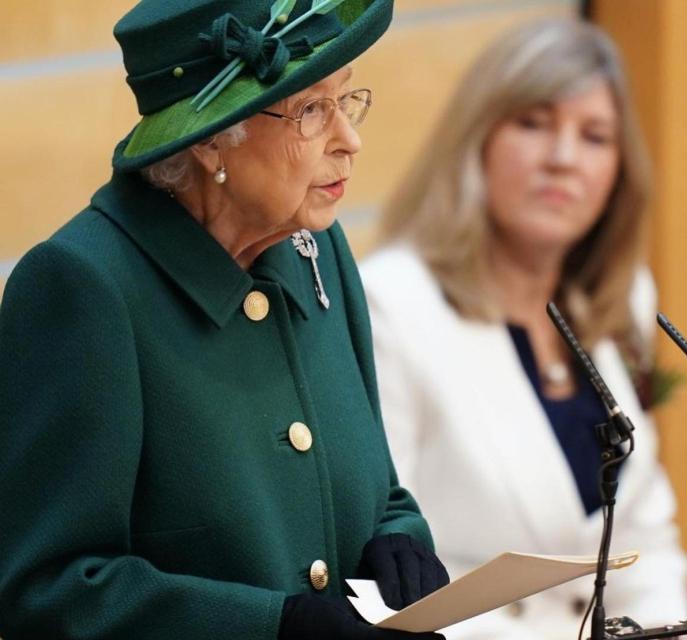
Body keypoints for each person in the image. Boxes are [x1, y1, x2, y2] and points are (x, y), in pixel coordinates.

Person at [0, 1, 449, 638]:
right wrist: (271, 627)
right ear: (211, 137)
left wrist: (399, 540)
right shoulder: (83, 289)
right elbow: (46, 592)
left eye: (344, 100)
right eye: (311, 110)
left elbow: (376, 491)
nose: (350, 141)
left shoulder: (316, 247)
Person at [359, 17, 687, 639]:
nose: (563, 159)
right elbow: (383, 567)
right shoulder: (390, 304)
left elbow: (648, 546)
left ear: (620, 172)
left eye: (595, 136)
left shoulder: (620, 304)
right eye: (534, 124)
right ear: (475, 141)